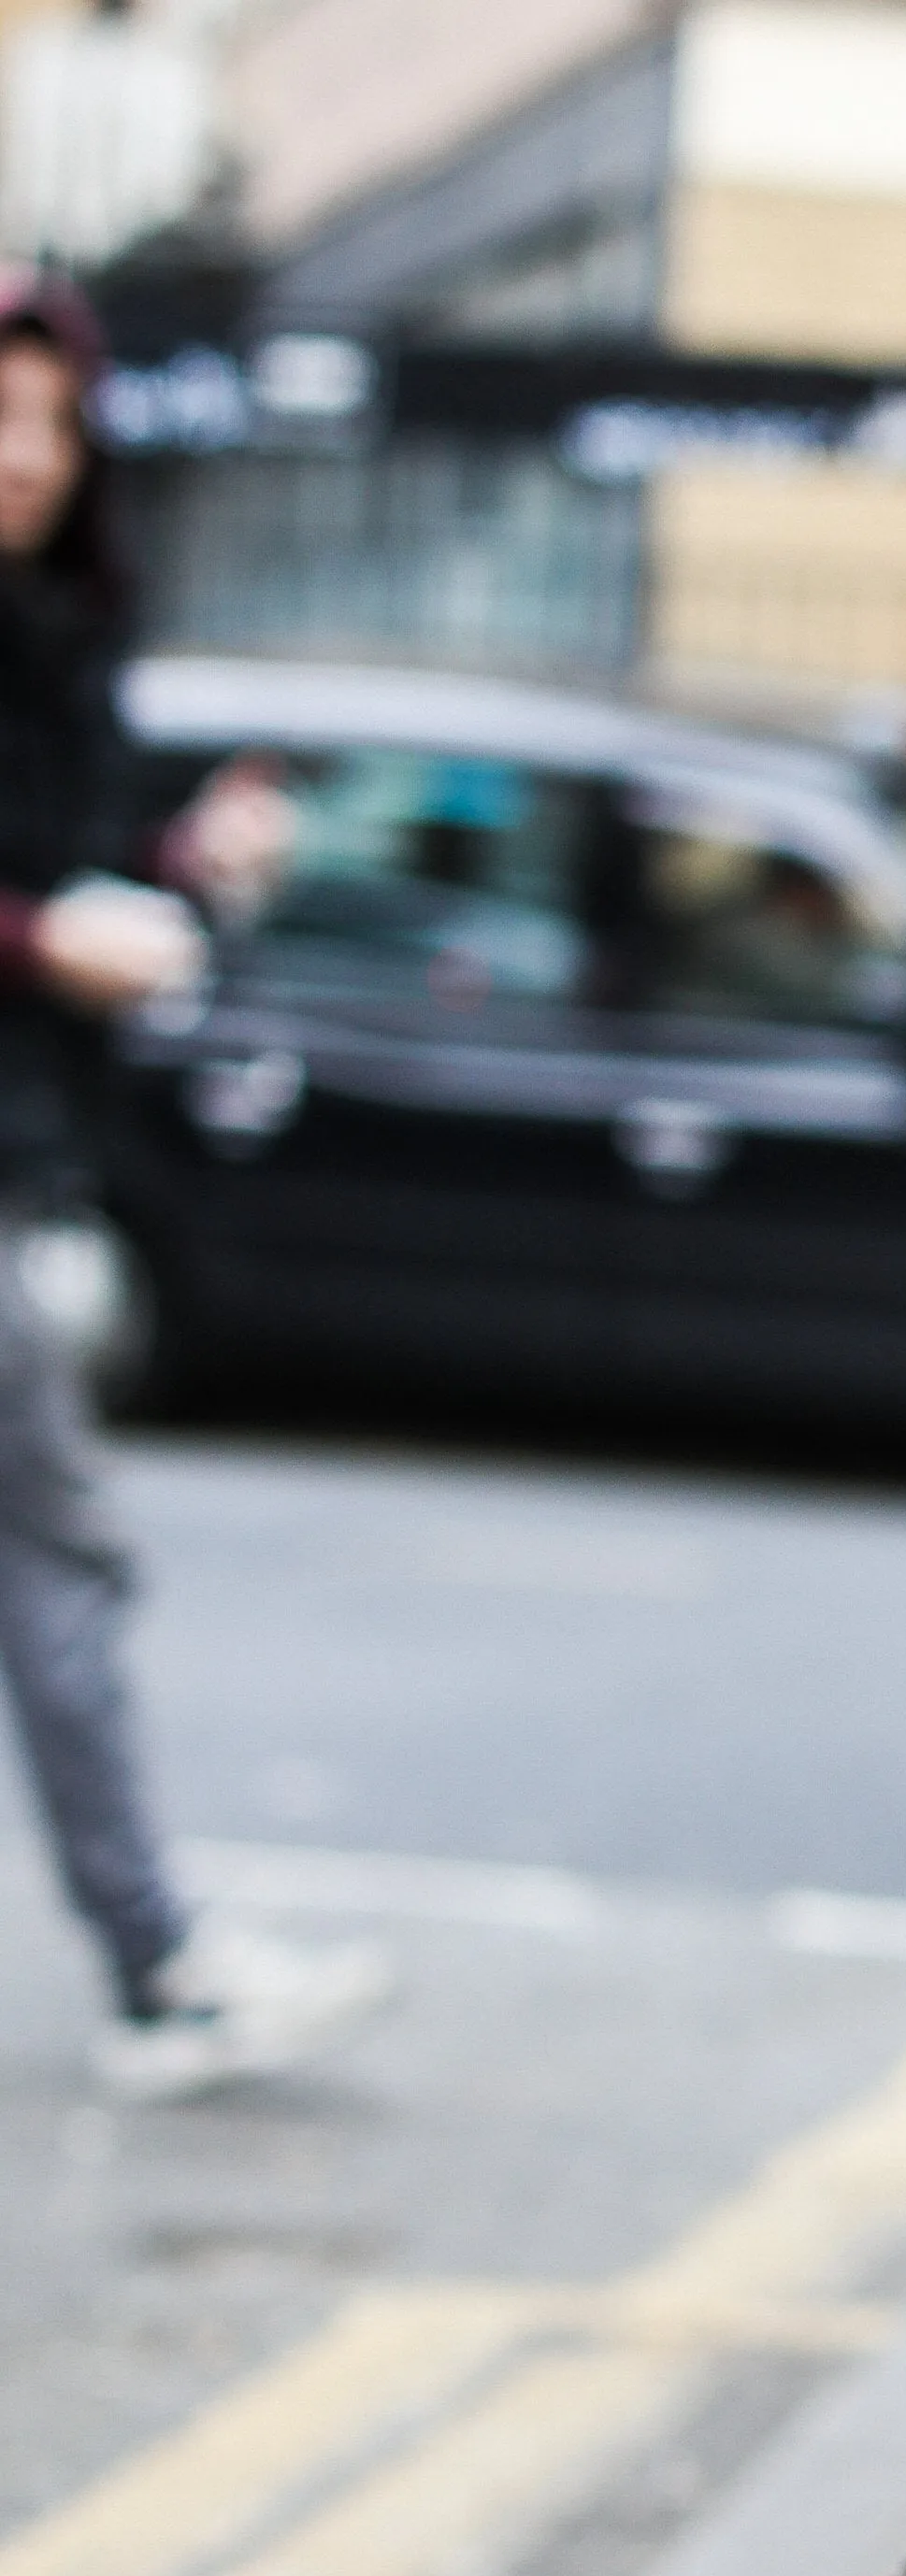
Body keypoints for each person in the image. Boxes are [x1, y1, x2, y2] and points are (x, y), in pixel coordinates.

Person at [0, 274, 384, 2098]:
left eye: (48, 423)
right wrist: (43, 946)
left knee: (54, 1550)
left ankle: (159, 1955)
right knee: (57, 1548)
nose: (20, 456)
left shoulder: (53, 633)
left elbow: (55, 862)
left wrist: (175, 862)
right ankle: (160, 1962)